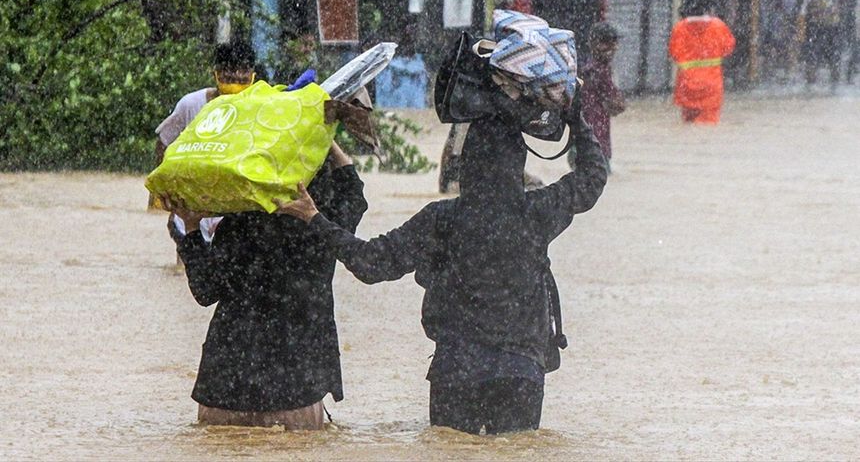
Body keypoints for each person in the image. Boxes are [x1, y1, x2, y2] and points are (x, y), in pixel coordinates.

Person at [277, 104, 608, 435]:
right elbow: (593, 175)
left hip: (456, 370)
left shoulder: (440, 219)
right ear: (518, 167)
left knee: (449, 450)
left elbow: (369, 263)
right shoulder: (538, 212)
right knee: (515, 454)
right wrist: (574, 113)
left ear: (465, 168)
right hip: (520, 370)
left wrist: (315, 219)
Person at [162, 141, 367, 429]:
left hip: (225, 384)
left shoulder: (238, 222)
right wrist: (324, 139)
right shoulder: (323, 226)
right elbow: (354, 196)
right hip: (294, 388)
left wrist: (193, 228)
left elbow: (206, 290)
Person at [150, 39, 258, 242]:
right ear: (215, 72)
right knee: (185, 264)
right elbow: (164, 141)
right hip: (191, 203)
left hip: (235, 207)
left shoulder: (260, 108)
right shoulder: (191, 104)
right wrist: (163, 189)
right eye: (229, 70)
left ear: (253, 74)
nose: (236, 76)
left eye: (243, 70)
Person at [669, 0, 736, 125]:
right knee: (707, 127)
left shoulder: (679, 29)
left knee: (688, 127)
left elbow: (674, 53)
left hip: (686, 87)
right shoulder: (718, 26)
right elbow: (728, 48)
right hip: (711, 89)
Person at [569, 21, 625, 173]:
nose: (613, 48)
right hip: (592, 143)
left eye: (614, 43)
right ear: (594, 44)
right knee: (598, 178)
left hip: (586, 141)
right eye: (607, 43)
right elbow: (613, 101)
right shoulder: (596, 71)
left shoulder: (593, 68)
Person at [794, 0, 849, 87]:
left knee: (834, 59)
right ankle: (811, 89)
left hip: (833, 25)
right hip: (814, 25)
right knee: (812, 59)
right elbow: (800, 0)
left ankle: (832, 90)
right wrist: (796, 19)